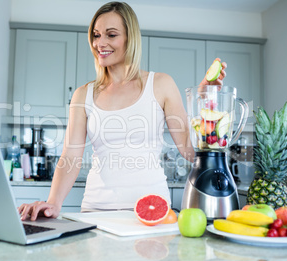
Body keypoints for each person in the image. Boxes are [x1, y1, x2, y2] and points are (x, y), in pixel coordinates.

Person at [18, 1, 226, 221]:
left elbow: (190, 150)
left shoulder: (161, 84)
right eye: (96, 35)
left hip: (153, 211)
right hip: (96, 211)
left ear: (130, 39)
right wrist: (53, 202)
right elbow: (70, 156)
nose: (100, 43)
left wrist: (203, 100)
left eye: (111, 35)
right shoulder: (83, 94)